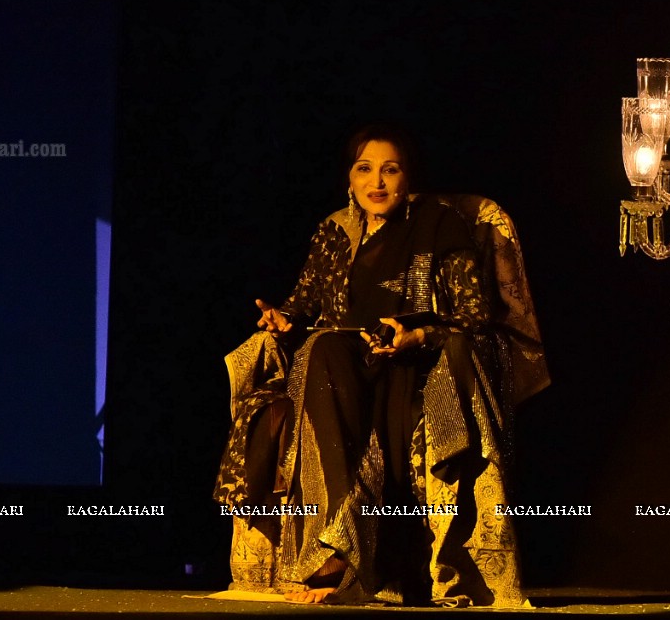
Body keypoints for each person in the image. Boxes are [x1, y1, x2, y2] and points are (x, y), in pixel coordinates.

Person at [214, 123, 540, 606]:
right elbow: (304, 304)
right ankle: (343, 534)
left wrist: (416, 334)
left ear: (409, 178)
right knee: (321, 349)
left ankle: (353, 552)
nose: (377, 182)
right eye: (365, 169)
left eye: (391, 170)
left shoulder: (440, 224)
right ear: (350, 177)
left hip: (418, 363)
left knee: (330, 355)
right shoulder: (334, 231)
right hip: (344, 361)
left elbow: (474, 315)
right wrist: (283, 319)